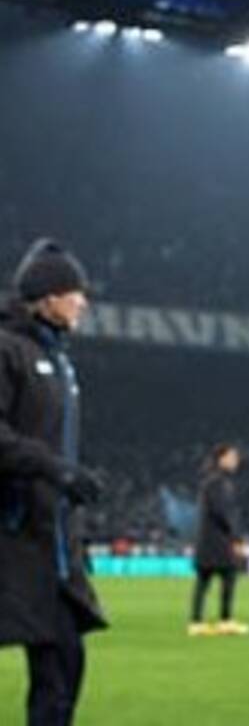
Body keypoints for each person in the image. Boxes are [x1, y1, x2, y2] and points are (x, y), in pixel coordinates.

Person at [0, 239, 107, 726]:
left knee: (64, 665)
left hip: (53, 543)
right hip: (13, 534)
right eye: (74, 292)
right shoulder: (8, 350)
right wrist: (56, 469)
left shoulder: (60, 360)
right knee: (56, 671)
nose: (83, 302)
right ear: (47, 297)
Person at [189, 443, 249, 636]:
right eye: (232, 456)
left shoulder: (212, 481)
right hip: (218, 540)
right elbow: (223, 512)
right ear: (221, 459)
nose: (236, 460)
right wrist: (236, 537)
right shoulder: (218, 482)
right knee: (227, 576)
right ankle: (223, 620)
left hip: (208, 539)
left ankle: (197, 622)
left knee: (205, 579)